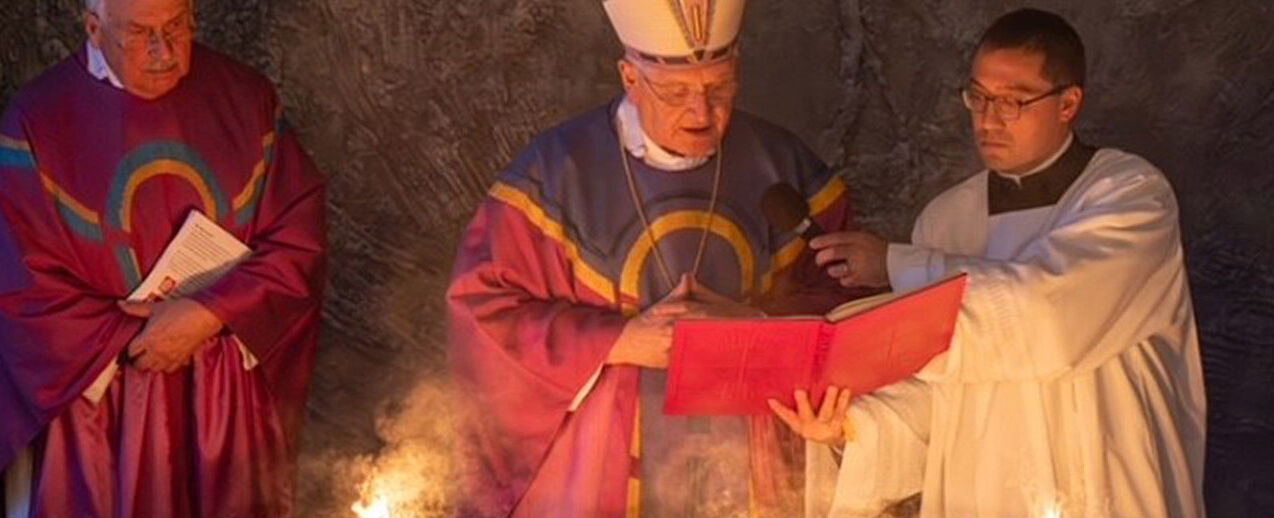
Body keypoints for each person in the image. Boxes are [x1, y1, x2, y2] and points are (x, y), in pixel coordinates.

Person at [772, 8, 1206, 517]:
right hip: (984, 494)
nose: (987, 119)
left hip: (1107, 490)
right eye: (977, 97)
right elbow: (936, 393)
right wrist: (852, 426)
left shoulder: (1129, 195)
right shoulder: (946, 218)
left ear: (1068, 103)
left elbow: (1047, 318)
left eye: (1013, 101)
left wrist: (896, 266)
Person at [446, 0, 867, 515]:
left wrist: (755, 325)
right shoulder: (554, 177)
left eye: (720, 89)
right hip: (604, 461)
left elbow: (852, 298)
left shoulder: (782, 165)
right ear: (629, 77)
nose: (701, 112)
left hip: (752, 460)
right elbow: (481, 314)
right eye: (675, 92)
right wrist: (617, 341)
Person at [0, 0, 327, 515]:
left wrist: (209, 312)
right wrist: (138, 337)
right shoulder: (36, 120)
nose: (164, 53)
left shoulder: (246, 99)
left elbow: (297, 237)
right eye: (139, 34)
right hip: (98, 408)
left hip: (218, 396)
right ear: (93, 28)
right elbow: (20, 285)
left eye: (176, 28)